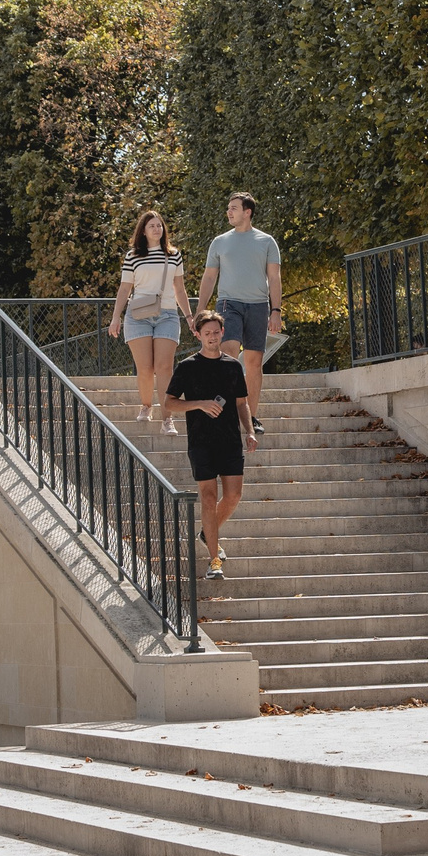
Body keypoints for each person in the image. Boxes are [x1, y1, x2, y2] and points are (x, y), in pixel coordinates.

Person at [165, 309, 253, 579]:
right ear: (198, 335)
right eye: (207, 333)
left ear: (222, 333)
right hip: (201, 442)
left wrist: (249, 431)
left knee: (234, 496)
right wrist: (200, 404)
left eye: (216, 332)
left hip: (229, 441)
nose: (212, 337)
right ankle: (214, 560)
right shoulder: (188, 367)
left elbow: (242, 403)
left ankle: (207, 532)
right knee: (208, 497)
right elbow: (168, 403)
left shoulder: (233, 366)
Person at [194, 191, 282, 438]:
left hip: (258, 305)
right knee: (229, 353)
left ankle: (251, 418)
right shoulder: (219, 242)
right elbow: (209, 277)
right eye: (228, 208)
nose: (229, 212)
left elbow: (274, 277)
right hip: (228, 304)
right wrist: (201, 309)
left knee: (254, 363)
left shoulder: (266, 241)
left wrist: (276, 310)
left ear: (247, 212)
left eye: (234, 208)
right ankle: (226, 411)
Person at [109, 209, 189, 425]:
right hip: (138, 316)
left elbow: (180, 289)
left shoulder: (174, 254)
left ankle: (167, 418)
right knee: (145, 368)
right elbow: (125, 289)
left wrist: (190, 316)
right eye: (152, 225)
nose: (157, 229)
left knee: (164, 367)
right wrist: (115, 317)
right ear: (143, 231)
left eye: (160, 225)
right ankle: (146, 406)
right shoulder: (132, 256)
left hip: (167, 315)